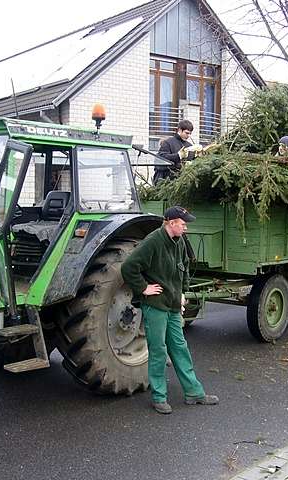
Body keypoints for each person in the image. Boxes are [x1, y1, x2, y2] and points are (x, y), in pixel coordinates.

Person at [121, 205, 218, 414]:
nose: (186, 228)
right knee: (158, 351)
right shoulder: (153, 242)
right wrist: (143, 288)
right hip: (156, 306)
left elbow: (183, 268)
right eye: (183, 224)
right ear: (171, 223)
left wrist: (182, 293)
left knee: (180, 348)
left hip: (173, 305)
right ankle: (159, 397)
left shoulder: (179, 241)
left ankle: (194, 392)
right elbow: (129, 267)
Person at [153, 120, 196, 184]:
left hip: (184, 182)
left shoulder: (190, 145)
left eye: (190, 133)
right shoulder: (168, 142)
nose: (189, 136)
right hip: (167, 182)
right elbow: (160, 159)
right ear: (180, 130)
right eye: (187, 133)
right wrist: (178, 156)